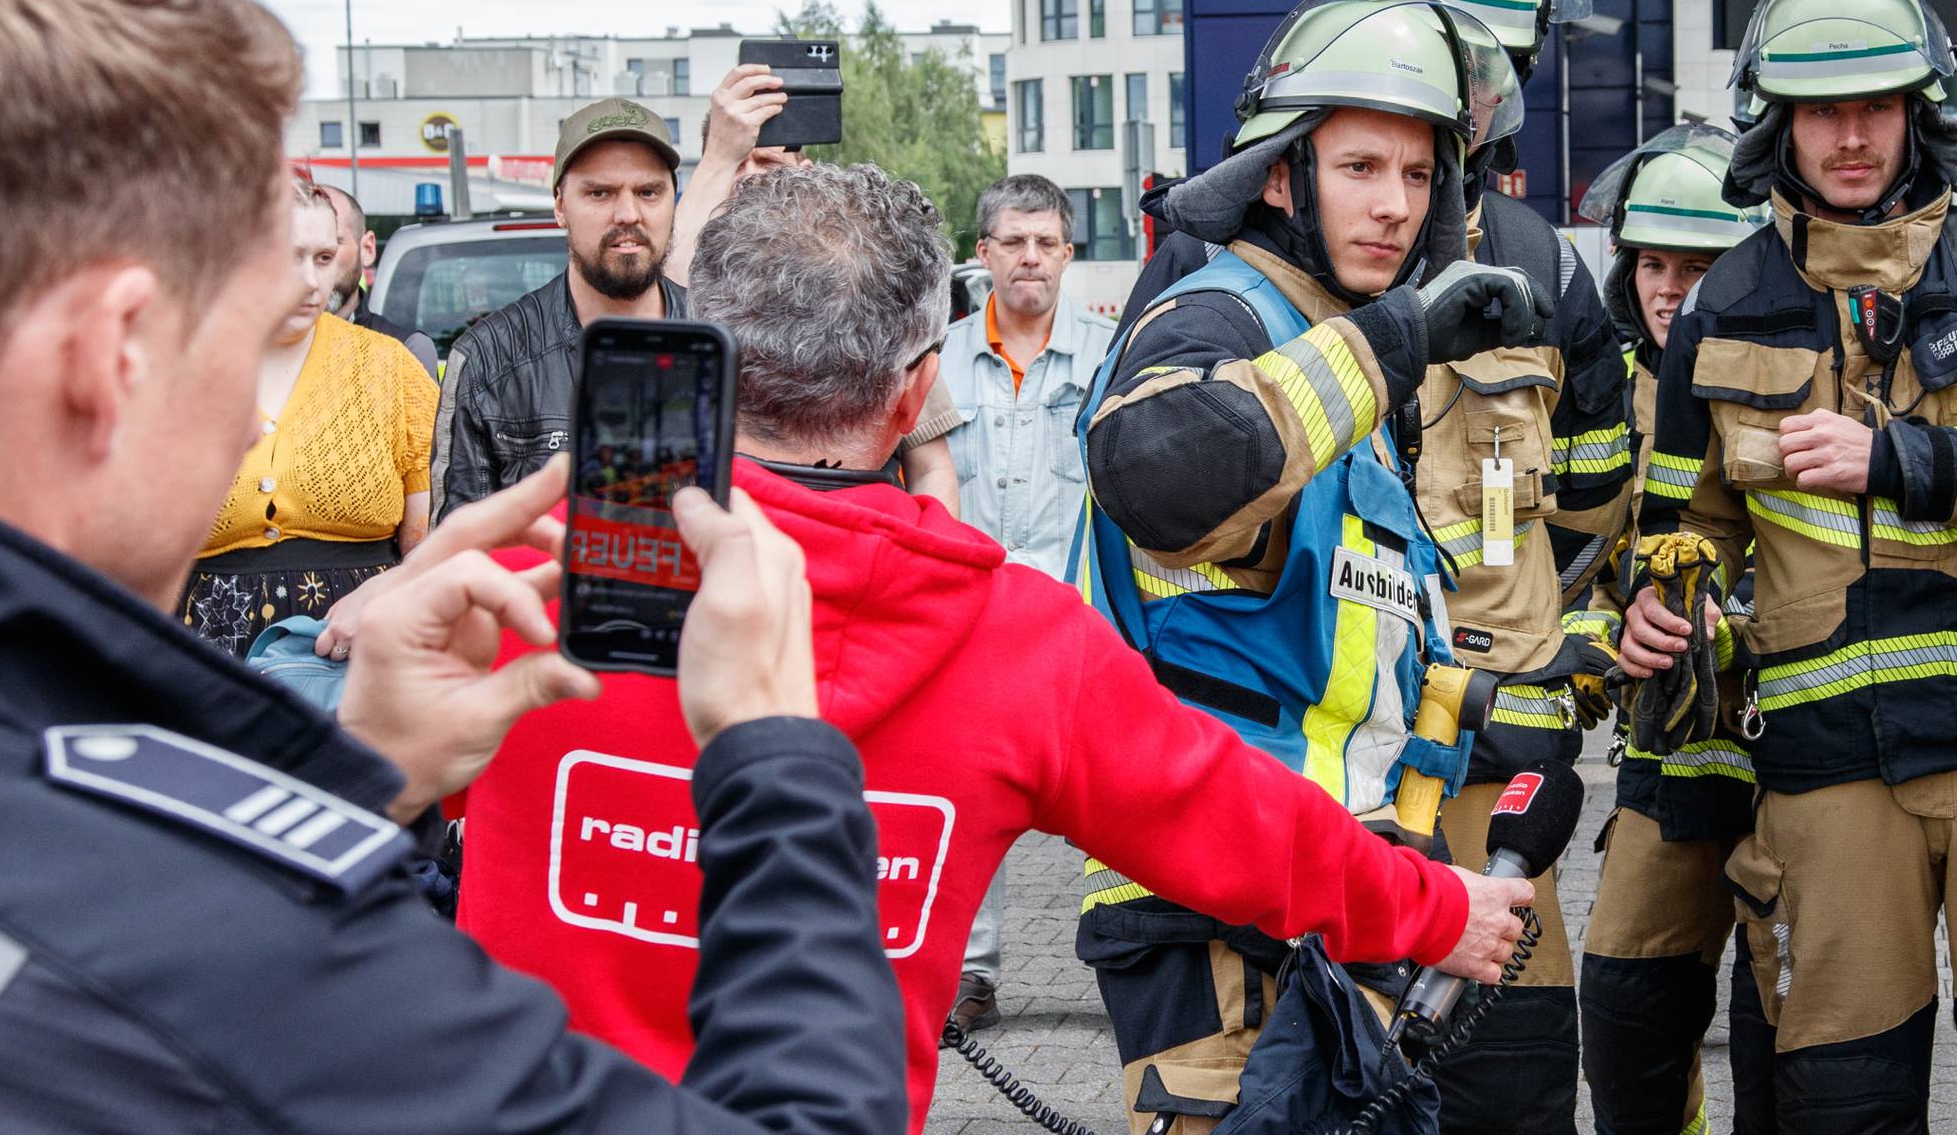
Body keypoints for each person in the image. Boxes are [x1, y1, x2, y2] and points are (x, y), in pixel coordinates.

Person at [0, 0, 914, 1131]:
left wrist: (355, 789)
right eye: (258, 339)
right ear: (113, 355)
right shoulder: (206, 940)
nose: (254, 422)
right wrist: (777, 762)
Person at [451, 161, 1534, 1132]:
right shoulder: (1012, 645)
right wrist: (1439, 909)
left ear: (705, 358)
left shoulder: (517, 592)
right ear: (923, 390)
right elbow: (1244, 822)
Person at [1620, 0, 1957, 1132]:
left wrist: (1914, 462)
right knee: (1838, 1099)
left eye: (1875, 106)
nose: (1850, 136)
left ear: (1920, 114)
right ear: (1781, 125)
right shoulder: (1721, 308)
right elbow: (1682, 516)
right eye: (1821, 110)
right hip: (1827, 764)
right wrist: (1667, 595)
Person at [1076, 0, 1553, 1133]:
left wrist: (1488, 716)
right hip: (1216, 917)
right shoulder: (1223, 315)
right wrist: (1391, 343)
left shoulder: (1339, 354)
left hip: (1333, 902)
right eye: (1359, 167)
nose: (1394, 204)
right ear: (1282, 173)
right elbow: (1158, 467)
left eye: (1415, 173)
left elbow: (1338, 652)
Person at [1351, 0, 1632, 1126]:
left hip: (1498, 780)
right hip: (1333, 778)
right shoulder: (1268, 261)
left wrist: (1536, 642)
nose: (1470, 99)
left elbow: (1596, 489)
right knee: (1335, 1078)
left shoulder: (1542, 260)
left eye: (1491, 72)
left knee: (1513, 1087)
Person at [1566, 124, 1779, 1135]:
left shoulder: (1795, 370)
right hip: (1667, 750)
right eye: (1652, 261)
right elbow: (1559, 567)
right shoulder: (1598, 390)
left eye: (1697, 264)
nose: (1669, 285)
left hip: (1802, 758)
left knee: (1785, 1031)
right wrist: (1609, 636)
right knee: (1626, 1015)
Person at [925, 172, 1117, 1030]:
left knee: (1121, 796)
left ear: (1068, 255)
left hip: (1080, 629)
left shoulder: (1114, 360)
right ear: (984, 255)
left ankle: (1142, 964)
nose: (1030, 257)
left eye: (1046, 243)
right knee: (967, 797)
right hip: (967, 629)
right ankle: (969, 974)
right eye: (1014, 241)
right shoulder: (934, 363)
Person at [663, 61, 965, 512]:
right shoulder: (699, 284)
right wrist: (717, 159)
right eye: (734, 164)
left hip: (863, 544)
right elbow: (668, 278)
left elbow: (931, 466)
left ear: (802, 173)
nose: (746, 178)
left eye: (765, 162)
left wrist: (935, 563)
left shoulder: (869, 292)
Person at [177, 176, 439, 657]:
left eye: (323, 258)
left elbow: (428, 537)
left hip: (357, 651)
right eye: (287, 257)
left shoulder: (387, 366)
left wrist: (387, 595)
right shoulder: (180, 371)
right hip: (205, 653)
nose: (311, 282)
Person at [429, 96, 690, 521]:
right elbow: (456, 548)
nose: (628, 214)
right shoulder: (491, 358)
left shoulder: (720, 343)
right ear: (559, 204)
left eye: (648, 192)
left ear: (673, 201)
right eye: (599, 193)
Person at [316, 182, 438, 369]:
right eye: (296, 248)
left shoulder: (403, 350)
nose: (314, 263)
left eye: (332, 243)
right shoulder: (263, 345)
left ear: (367, 248)